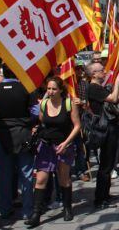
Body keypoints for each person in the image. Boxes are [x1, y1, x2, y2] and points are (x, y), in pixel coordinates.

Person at [25, 77, 82, 227]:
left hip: (64, 146)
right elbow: (43, 121)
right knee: (41, 179)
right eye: (48, 89)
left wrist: (66, 142)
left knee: (64, 178)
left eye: (54, 89)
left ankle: (67, 208)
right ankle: (36, 214)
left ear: (61, 90)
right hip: (46, 146)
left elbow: (77, 126)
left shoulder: (69, 104)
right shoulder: (44, 104)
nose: (50, 92)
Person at [0, 63, 35, 222]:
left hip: (2, 137)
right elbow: (35, 112)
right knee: (27, 175)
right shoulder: (26, 89)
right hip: (24, 135)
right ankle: (28, 211)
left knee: (5, 175)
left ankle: (5, 209)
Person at [85, 62, 119, 209]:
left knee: (109, 164)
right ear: (94, 74)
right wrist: (116, 80)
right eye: (101, 70)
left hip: (112, 127)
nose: (104, 72)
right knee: (105, 164)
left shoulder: (99, 87)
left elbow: (118, 98)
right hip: (105, 129)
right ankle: (100, 199)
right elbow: (113, 99)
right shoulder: (93, 88)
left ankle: (105, 194)